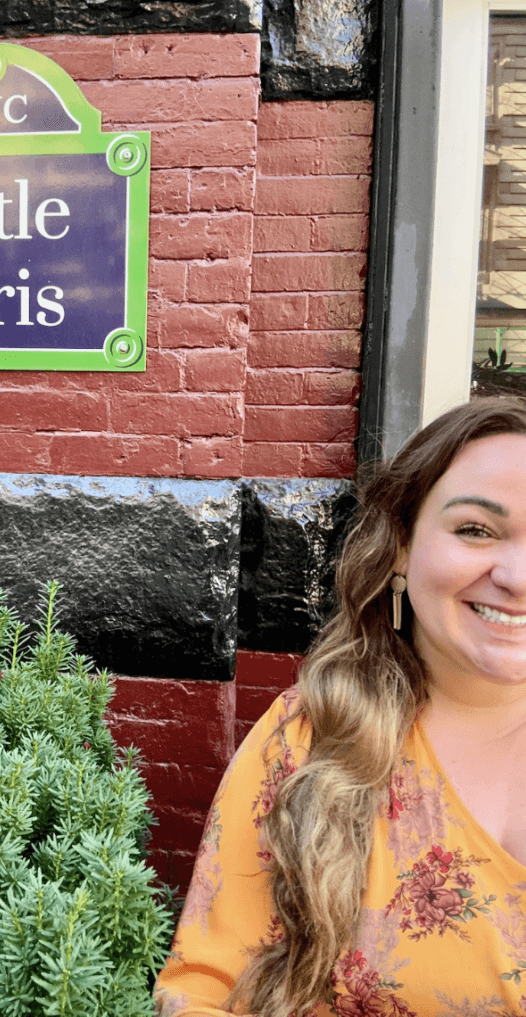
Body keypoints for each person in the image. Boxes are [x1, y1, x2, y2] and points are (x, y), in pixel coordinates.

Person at [154, 397, 526, 1017]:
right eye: (476, 530)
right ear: (402, 547)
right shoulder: (311, 740)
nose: (517, 575)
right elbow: (206, 992)